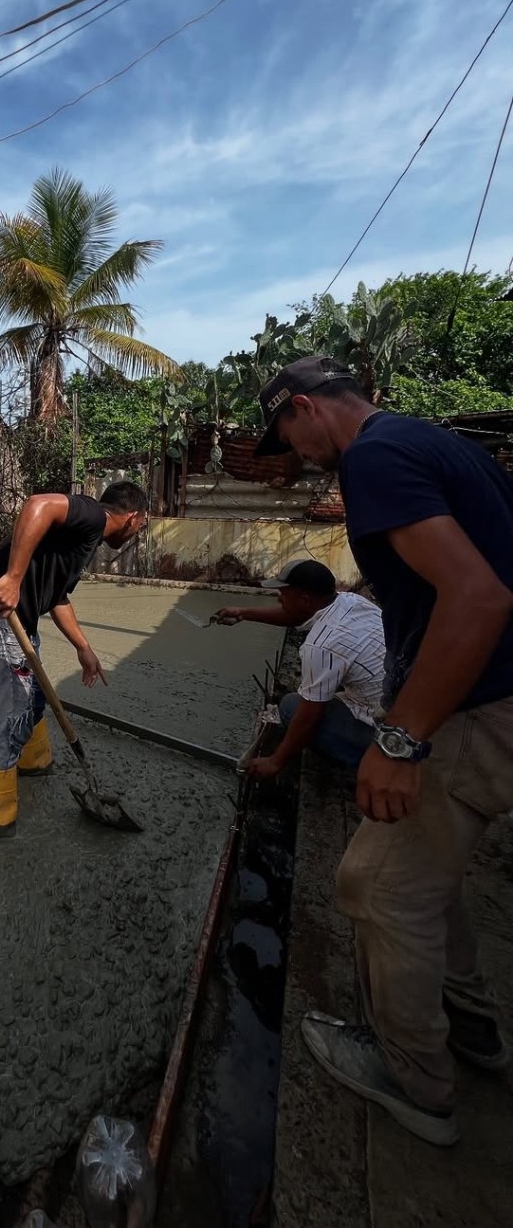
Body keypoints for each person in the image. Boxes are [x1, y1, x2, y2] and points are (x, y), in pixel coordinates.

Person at [253, 354, 513, 1146]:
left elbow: (480, 594)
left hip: (473, 707)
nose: (295, 456)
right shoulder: (437, 443)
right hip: (494, 694)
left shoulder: (373, 456)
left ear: (304, 407)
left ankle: (415, 1078)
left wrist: (399, 739)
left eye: (288, 437)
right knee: (428, 870)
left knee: (373, 885)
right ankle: (467, 1018)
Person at [0, 481, 149, 837]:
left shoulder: (85, 538)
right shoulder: (93, 515)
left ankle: (30, 764)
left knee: (34, 701)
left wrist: (83, 647)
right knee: (14, 715)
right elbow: (37, 504)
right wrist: (13, 578)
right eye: (142, 525)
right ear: (133, 517)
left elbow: (58, 596)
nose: (139, 531)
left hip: (20, 621)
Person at [215, 559, 385, 772]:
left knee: (291, 708)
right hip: (406, 710)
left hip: (387, 732)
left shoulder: (322, 646)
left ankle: (372, 765)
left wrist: (275, 761)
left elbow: (308, 716)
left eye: (283, 593)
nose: (279, 597)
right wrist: (243, 613)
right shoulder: (350, 601)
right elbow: (296, 616)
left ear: (305, 600)